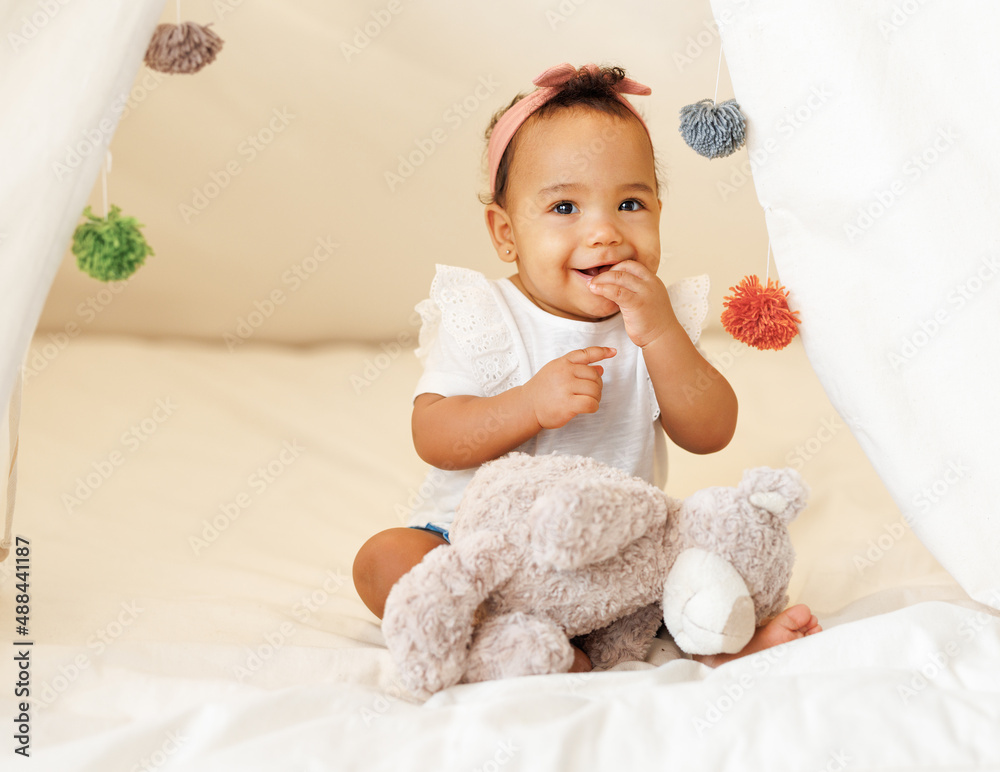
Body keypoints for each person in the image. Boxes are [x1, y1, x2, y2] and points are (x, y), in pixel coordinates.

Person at [353, 63, 820, 671]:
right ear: (506, 233)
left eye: (630, 203)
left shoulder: (655, 321)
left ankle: (716, 640)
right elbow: (435, 436)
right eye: (566, 207)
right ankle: (507, 639)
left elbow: (711, 431)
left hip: (618, 561)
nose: (604, 232)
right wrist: (526, 405)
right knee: (383, 560)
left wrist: (659, 334)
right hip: (483, 546)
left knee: (710, 548)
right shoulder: (488, 316)